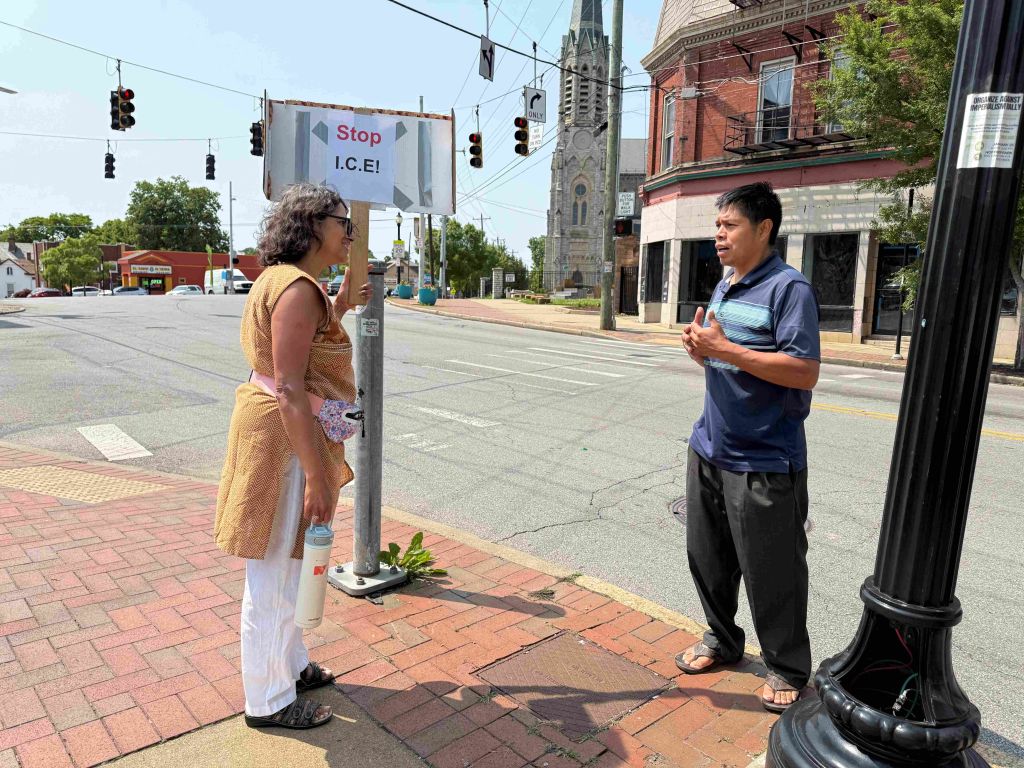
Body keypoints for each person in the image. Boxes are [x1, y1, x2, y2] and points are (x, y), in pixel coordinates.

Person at [214, 183, 372, 730]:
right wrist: (315, 476)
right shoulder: (297, 289)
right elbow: (286, 386)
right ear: (312, 226)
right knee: (276, 573)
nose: (349, 233)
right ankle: (269, 700)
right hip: (283, 440)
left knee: (290, 563)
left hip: (280, 432)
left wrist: (343, 305)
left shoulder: (293, 284)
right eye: (343, 222)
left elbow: (307, 350)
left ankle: (293, 665)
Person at [675, 181, 820, 714]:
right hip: (710, 446)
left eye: (729, 225)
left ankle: (786, 667)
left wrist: (725, 350)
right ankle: (722, 638)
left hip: (764, 459)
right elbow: (727, 359)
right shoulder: (728, 282)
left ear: (764, 229)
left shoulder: (789, 289)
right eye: (717, 226)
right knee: (708, 558)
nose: (718, 235)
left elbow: (803, 372)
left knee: (772, 570)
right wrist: (703, 352)